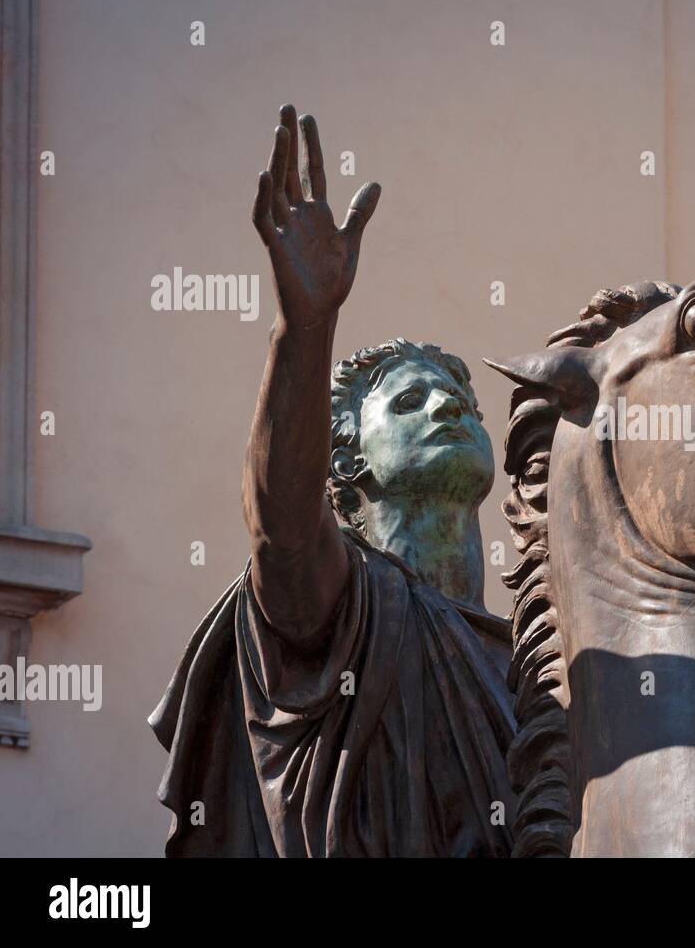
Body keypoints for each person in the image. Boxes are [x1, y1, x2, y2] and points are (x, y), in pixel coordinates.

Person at [149, 105, 515, 857]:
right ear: (345, 462)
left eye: (461, 399)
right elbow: (280, 531)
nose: (448, 404)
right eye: (409, 402)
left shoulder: (528, 669)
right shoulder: (344, 608)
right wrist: (306, 326)